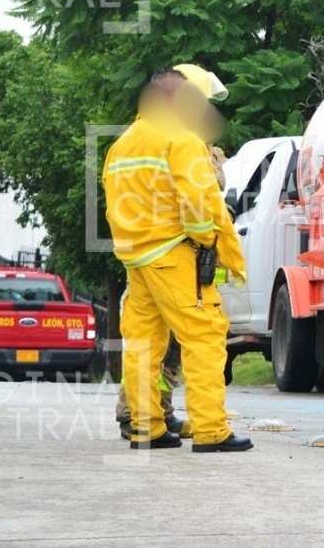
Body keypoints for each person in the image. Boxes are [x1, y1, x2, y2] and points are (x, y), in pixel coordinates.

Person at [103, 64, 252, 452]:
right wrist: (206, 241)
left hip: (137, 259)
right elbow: (199, 201)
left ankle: (147, 429)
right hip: (175, 253)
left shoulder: (123, 143)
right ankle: (211, 432)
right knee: (204, 338)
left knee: (142, 346)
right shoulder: (180, 138)